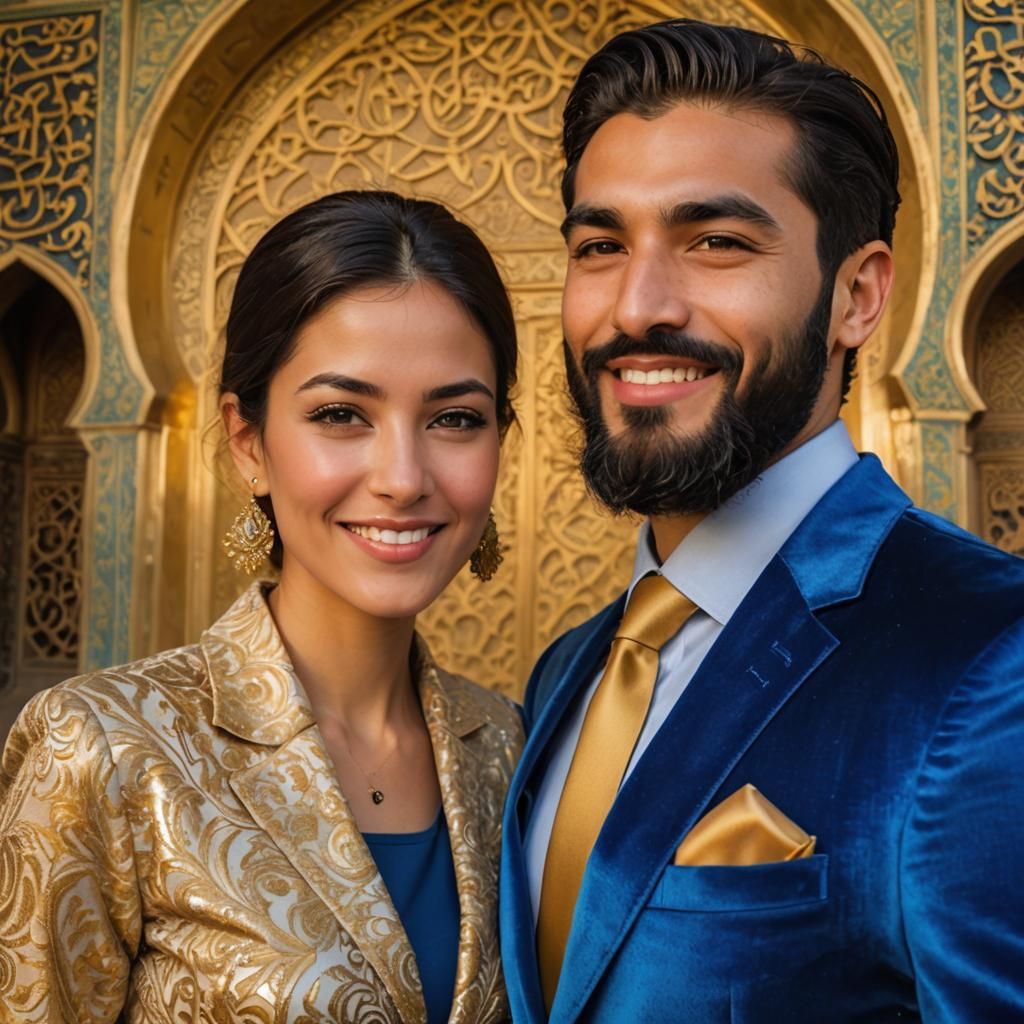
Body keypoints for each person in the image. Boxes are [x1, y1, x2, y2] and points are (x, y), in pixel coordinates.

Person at [499, 19, 1024, 1024]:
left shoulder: (986, 658)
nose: (637, 306)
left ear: (858, 296)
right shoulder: (568, 673)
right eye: (600, 246)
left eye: (715, 242)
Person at [0, 190, 524, 1023]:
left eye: (455, 418)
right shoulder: (103, 750)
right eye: (341, 414)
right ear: (249, 442)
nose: (402, 476)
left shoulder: (510, 748)